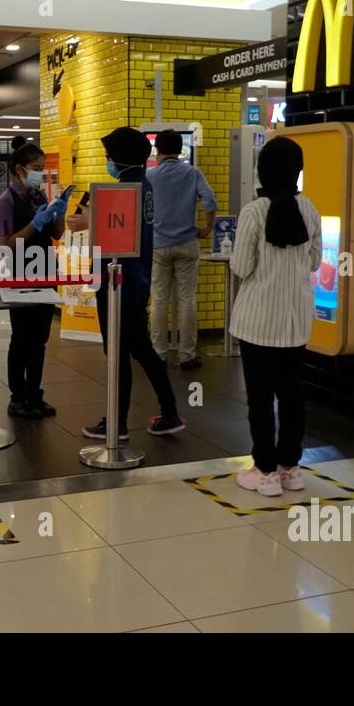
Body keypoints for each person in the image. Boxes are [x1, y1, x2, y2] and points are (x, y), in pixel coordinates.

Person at [68, 127, 184, 439]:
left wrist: (88, 221)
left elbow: (119, 236)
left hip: (120, 282)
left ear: (119, 157)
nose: (108, 161)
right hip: (136, 279)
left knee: (118, 352)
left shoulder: (128, 188)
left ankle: (117, 423)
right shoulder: (141, 184)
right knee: (142, 350)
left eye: (109, 156)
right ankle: (169, 412)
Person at [230, 137, 321, 497]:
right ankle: (290, 469)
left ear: (262, 168)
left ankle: (264, 472)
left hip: (257, 322)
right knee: (292, 394)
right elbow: (314, 261)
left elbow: (240, 267)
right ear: (297, 169)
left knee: (260, 397)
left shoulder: (254, 211)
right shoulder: (309, 208)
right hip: (296, 319)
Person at [0, 142, 66, 419]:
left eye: (42, 169)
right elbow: (6, 244)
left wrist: (59, 212)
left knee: (40, 338)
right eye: (36, 169)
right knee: (21, 338)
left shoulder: (39, 196)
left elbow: (56, 235)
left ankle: (35, 395)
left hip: (47, 271)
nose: (40, 174)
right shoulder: (6, 201)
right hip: (20, 274)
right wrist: (34, 224)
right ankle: (18, 397)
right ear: (19, 169)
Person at [147, 128, 218, 370]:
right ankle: (187, 355)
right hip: (187, 243)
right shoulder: (192, 173)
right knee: (187, 301)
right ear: (181, 150)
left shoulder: (150, 176)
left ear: (157, 149)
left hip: (158, 245)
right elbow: (210, 200)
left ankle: (158, 353)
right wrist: (207, 227)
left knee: (158, 300)